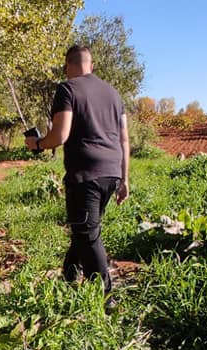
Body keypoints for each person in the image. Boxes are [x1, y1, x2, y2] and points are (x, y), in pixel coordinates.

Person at [25, 44, 130, 301]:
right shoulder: (114, 94)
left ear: (68, 66)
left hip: (86, 174)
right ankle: (69, 275)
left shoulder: (67, 88)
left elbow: (60, 135)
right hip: (112, 173)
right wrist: (125, 179)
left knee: (88, 234)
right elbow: (125, 140)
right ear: (91, 65)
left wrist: (37, 144)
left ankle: (106, 298)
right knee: (85, 228)